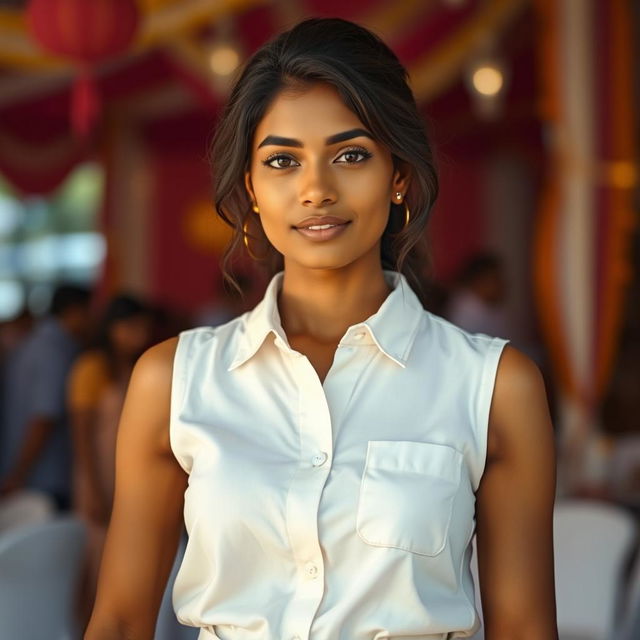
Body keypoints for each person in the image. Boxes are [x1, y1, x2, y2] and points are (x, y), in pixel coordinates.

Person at [86, 18, 558, 640]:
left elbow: (523, 627)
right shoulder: (173, 380)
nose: (316, 189)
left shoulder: (493, 386)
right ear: (251, 186)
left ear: (397, 176)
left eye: (351, 155)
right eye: (283, 160)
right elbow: (119, 620)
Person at [68, 294, 154, 630]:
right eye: (131, 327)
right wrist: (90, 485)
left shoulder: (138, 366)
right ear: (112, 328)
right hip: (98, 473)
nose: (138, 334)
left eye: (143, 327)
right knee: (95, 566)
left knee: (123, 566)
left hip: (128, 478)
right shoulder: (91, 368)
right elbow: (82, 437)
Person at [0, 284, 91, 511]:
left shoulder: (35, 344)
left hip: (30, 474)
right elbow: (44, 417)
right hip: (43, 478)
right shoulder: (53, 351)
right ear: (74, 311)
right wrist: (19, 473)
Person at [446, 252, 509, 338]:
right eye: (496, 279)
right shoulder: (465, 310)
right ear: (480, 281)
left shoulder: (494, 306)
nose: (502, 284)